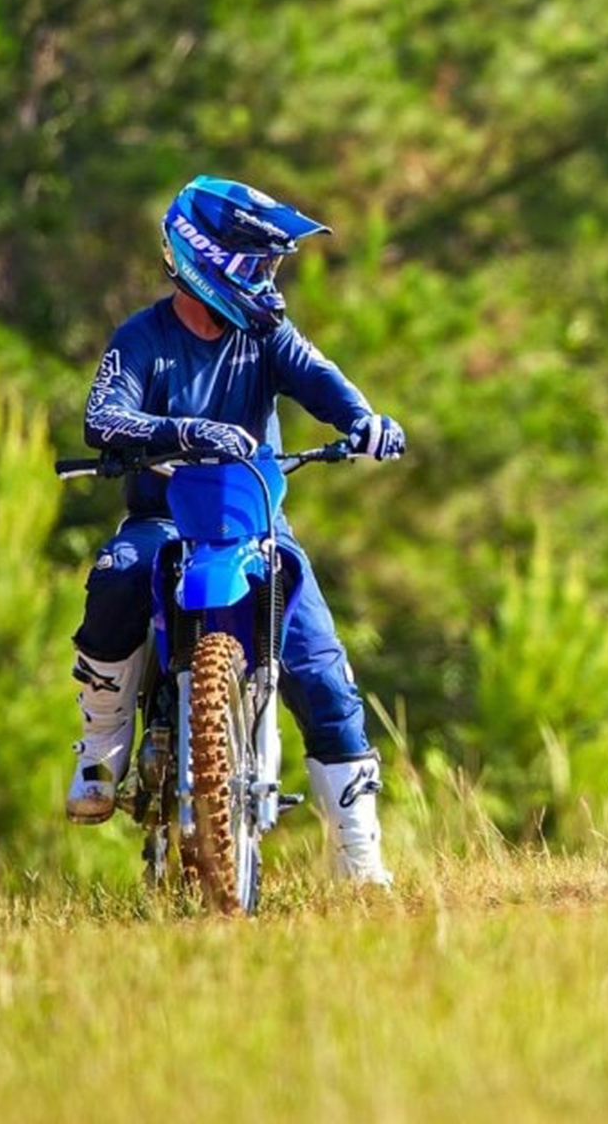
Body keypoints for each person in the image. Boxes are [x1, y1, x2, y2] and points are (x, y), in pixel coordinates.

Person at [66, 176, 406, 886]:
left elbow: (320, 379)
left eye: (270, 268)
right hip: (166, 515)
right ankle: (99, 750)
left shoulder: (266, 335)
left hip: (256, 519)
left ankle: (361, 860)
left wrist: (364, 423)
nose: (266, 283)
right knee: (119, 572)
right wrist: (182, 431)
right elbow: (103, 415)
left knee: (321, 667)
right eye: (253, 267)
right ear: (201, 261)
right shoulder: (143, 339)